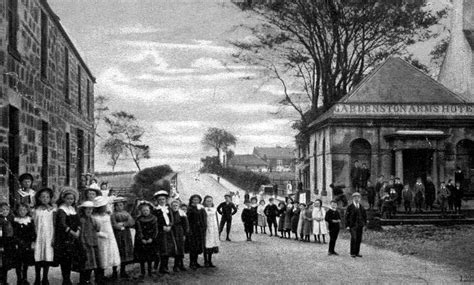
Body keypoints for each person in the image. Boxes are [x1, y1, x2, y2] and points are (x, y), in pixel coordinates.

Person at [54, 187, 82, 285]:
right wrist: (72, 232)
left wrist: (78, 230)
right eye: (68, 199)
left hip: (74, 237)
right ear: (64, 199)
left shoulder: (73, 209)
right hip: (65, 237)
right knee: (65, 259)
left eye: (72, 199)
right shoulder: (62, 209)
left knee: (71, 258)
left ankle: (69, 277)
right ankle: (66, 279)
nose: (70, 201)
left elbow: (78, 221)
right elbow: (62, 224)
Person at [93, 196, 121, 281]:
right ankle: (100, 276)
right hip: (101, 239)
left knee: (113, 254)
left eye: (105, 206)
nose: (104, 208)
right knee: (102, 256)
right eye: (102, 207)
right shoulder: (94, 217)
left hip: (110, 237)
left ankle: (115, 272)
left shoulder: (109, 216)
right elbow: (93, 230)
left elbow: (113, 224)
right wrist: (100, 234)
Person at [33, 188, 57, 285]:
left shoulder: (53, 210)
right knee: (38, 257)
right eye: (42, 197)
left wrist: (54, 237)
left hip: (48, 236)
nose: (45, 199)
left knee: (47, 257)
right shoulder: (35, 210)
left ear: (50, 198)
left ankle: (45, 278)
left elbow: (55, 224)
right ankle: (37, 278)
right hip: (38, 236)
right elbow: (33, 223)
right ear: (39, 198)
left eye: (47, 197)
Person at [78, 201, 101, 285]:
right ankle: (83, 281)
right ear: (83, 210)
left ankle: (87, 279)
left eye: (91, 209)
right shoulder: (82, 220)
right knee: (86, 263)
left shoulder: (92, 219)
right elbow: (82, 233)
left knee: (92, 263)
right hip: (86, 243)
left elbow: (98, 229)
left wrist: (96, 222)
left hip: (93, 242)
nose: (89, 211)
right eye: (87, 209)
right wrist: (83, 243)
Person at [111, 197, 135, 279]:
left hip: (126, 235)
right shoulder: (113, 214)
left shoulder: (126, 213)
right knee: (117, 251)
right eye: (117, 205)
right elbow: (114, 224)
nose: (119, 207)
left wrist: (123, 224)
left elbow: (131, 222)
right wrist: (119, 226)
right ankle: (114, 272)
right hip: (117, 235)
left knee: (125, 251)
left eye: (121, 205)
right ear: (115, 206)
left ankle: (123, 271)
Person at [12, 203, 36, 285]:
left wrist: (32, 241)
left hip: (27, 244)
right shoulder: (15, 220)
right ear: (17, 211)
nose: (22, 211)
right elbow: (14, 234)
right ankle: (19, 279)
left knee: (25, 262)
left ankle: (25, 278)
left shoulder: (29, 220)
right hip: (18, 244)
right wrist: (18, 242)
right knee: (18, 263)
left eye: (24, 210)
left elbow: (33, 232)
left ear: (27, 210)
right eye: (20, 210)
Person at [153, 190, 176, 274]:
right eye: (160, 200)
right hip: (161, 232)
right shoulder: (155, 210)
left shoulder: (168, 209)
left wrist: (170, 225)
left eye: (163, 199)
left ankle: (165, 266)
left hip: (169, 231)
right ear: (157, 201)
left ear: (166, 200)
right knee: (162, 249)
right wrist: (162, 227)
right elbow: (155, 221)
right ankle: (160, 267)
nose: (162, 201)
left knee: (168, 249)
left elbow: (172, 219)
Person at [134, 201, 158, 279]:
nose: (145, 212)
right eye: (143, 210)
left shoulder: (154, 218)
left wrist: (152, 238)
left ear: (150, 210)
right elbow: (139, 230)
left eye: (147, 210)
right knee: (142, 257)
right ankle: (142, 272)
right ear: (141, 211)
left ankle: (150, 271)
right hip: (141, 240)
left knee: (150, 257)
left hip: (151, 239)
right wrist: (142, 239)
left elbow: (155, 230)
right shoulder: (139, 219)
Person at [186, 194, 206, 270]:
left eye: (197, 200)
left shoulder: (200, 208)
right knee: (193, 247)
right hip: (192, 229)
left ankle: (196, 262)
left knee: (198, 246)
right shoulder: (190, 208)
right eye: (194, 200)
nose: (196, 201)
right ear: (191, 200)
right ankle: (192, 263)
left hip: (199, 230)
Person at [345, 192, 367, 258]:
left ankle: (357, 252)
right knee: (354, 238)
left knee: (358, 239)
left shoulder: (361, 207)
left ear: (360, 199)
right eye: (355, 197)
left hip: (360, 225)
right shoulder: (350, 207)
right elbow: (346, 217)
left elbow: (364, 216)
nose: (356, 199)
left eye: (358, 197)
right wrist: (347, 225)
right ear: (353, 198)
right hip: (352, 225)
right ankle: (352, 253)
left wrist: (364, 224)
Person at [170, 200, 188, 272]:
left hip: (179, 232)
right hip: (172, 231)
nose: (175, 207)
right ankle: (176, 265)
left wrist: (184, 234)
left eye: (176, 205)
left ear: (179, 206)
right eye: (173, 206)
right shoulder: (169, 213)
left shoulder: (181, 213)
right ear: (171, 206)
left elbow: (186, 225)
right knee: (175, 248)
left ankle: (180, 265)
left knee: (180, 248)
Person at [0, 203, 14, 285]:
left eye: (6, 209)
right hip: (2, 243)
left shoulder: (10, 218)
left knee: (5, 263)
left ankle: (4, 281)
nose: (5, 211)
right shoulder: (1, 220)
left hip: (8, 243)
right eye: (2, 209)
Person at [203, 195, 219, 267]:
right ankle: (205, 261)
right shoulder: (203, 209)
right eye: (207, 201)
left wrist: (218, 228)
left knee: (212, 244)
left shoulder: (214, 209)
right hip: (207, 228)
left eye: (210, 201)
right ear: (205, 202)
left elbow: (216, 219)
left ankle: (210, 260)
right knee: (206, 244)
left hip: (213, 228)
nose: (209, 202)